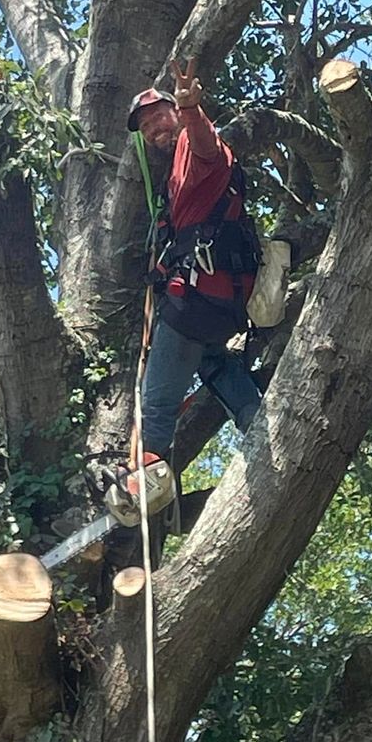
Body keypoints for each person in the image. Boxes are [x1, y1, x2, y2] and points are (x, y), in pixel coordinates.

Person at [104, 59, 262, 522]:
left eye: (160, 117)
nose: (155, 128)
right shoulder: (175, 177)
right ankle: (255, 416)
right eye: (147, 126)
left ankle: (141, 487)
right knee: (212, 361)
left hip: (195, 302)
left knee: (157, 399)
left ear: (175, 114)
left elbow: (206, 143)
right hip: (222, 303)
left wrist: (192, 108)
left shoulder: (196, 153)